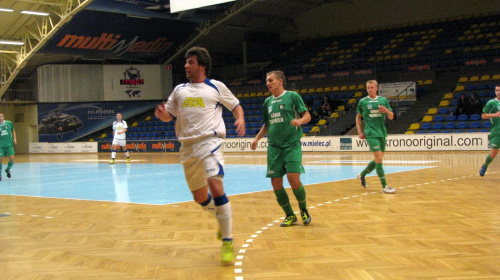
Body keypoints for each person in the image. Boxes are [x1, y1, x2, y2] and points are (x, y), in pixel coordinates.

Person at [155, 46, 245, 265]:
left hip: (210, 143)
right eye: (186, 62)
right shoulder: (179, 90)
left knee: (215, 187)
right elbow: (170, 116)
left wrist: (240, 118)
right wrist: (163, 115)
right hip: (187, 148)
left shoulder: (215, 87)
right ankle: (222, 219)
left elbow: (236, 105)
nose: (186, 65)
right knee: (200, 198)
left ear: (202, 66)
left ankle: (227, 240)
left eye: (191, 62)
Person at [251, 70, 312, 227]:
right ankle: (289, 215)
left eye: (270, 80)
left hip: (292, 144)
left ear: (280, 82)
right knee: (276, 183)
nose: (268, 83)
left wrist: (299, 122)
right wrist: (257, 138)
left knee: (293, 178)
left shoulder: (292, 96)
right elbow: (267, 124)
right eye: (267, 81)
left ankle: (304, 209)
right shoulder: (267, 102)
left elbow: (307, 116)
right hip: (274, 147)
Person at [355, 80, 396, 193]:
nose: (370, 89)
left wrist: (386, 111)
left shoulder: (383, 100)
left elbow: (392, 116)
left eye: (372, 87)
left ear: (376, 88)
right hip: (370, 133)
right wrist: (360, 131)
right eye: (368, 88)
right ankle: (385, 186)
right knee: (378, 159)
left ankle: (362, 174)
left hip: (381, 133)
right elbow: (358, 117)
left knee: (378, 159)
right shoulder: (363, 102)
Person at [479, 85, 500, 176]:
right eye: (497, 90)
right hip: (496, 131)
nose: (498, 92)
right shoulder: (491, 103)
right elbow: (483, 116)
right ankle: (485, 165)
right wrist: (495, 115)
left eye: (499, 90)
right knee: (494, 152)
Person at [0, 113, 16, 181]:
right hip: (1, 146)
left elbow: (13, 130)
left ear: (3, 117)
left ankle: (7, 170)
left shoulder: (9, 123)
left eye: (1, 116)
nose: (0, 118)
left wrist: (15, 138)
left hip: (9, 145)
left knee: (12, 159)